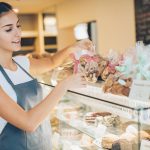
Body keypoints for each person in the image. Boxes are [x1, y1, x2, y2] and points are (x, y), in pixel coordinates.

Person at [0, 2, 95, 150]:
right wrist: (64, 85)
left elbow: (52, 61)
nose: (18, 33)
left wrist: (75, 46)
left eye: (18, 26)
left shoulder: (22, 63)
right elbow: (28, 123)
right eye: (8, 29)